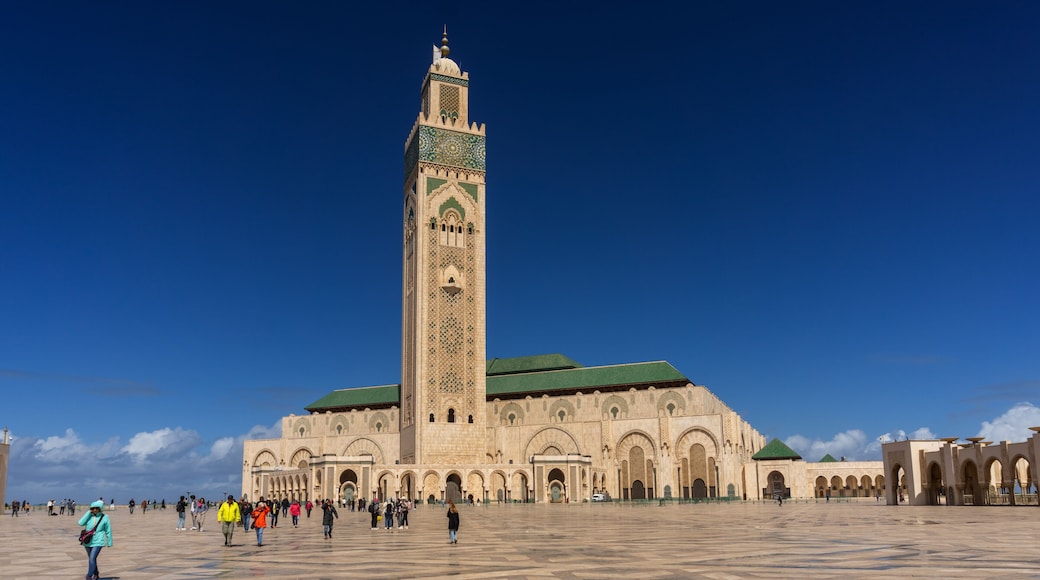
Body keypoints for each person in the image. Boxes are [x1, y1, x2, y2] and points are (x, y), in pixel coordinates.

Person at [78, 500, 113, 580]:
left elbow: (108, 530)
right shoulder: (89, 515)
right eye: (93, 508)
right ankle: (96, 574)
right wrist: (88, 512)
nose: (94, 510)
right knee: (92, 559)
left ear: (100, 508)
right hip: (87, 541)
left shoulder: (105, 517)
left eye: (96, 508)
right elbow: (80, 523)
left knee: (92, 558)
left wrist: (109, 542)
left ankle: (89, 576)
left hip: (99, 541)